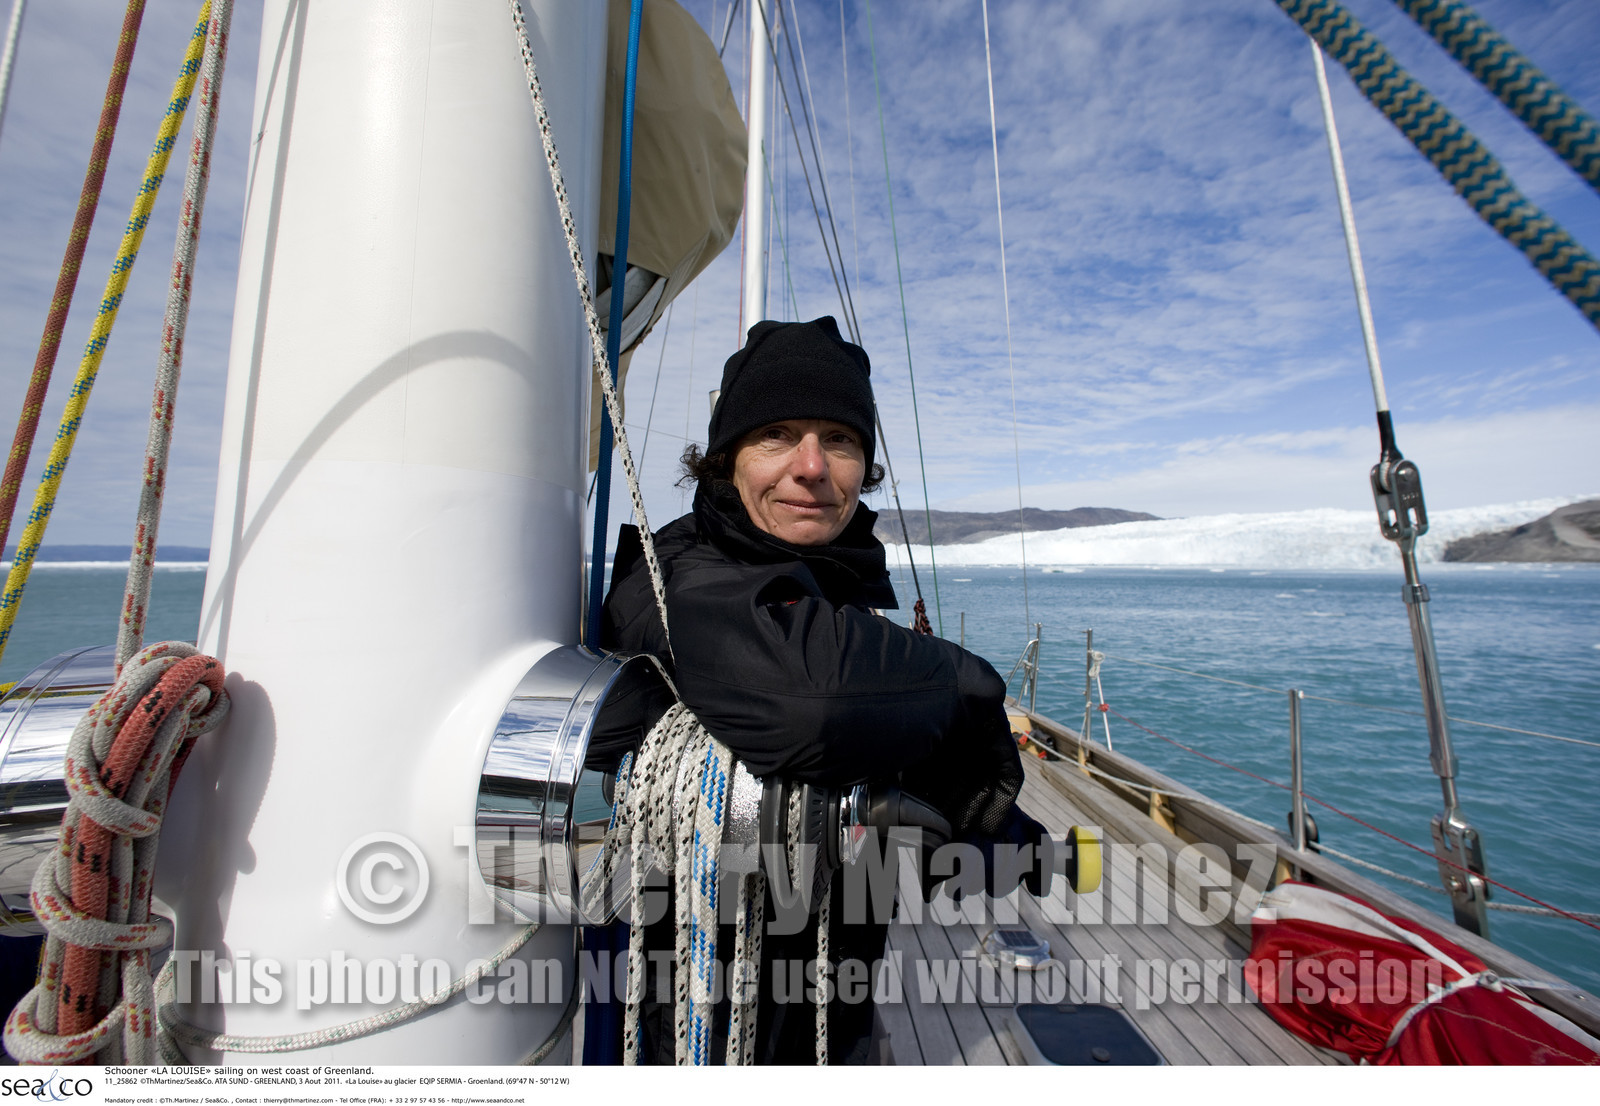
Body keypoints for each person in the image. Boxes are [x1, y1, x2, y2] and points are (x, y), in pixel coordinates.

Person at [597, 316, 1043, 1064]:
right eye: (776, 433)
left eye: (839, 440)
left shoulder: (838, 581)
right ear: (724, 459)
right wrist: (970, 689)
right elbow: (815, 703)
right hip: (709, 1026)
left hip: (833, 1003)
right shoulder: (674, 575)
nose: (811, 466)